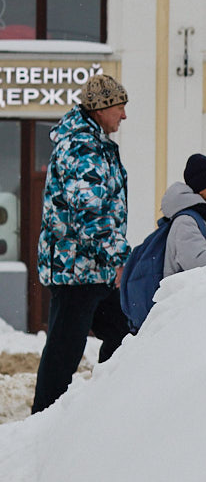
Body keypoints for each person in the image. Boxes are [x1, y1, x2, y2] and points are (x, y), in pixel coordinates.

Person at [32, 73, 130, 413]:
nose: (124, 115)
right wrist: (121, 258)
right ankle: (41, 423)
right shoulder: (81, 148)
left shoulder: (96, 144)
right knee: (64, 353)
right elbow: (91, 214)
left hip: (93, 269)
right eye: (119, 107)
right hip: (75, 271)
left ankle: (103, 407)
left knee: (125, 333)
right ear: (101, 109)